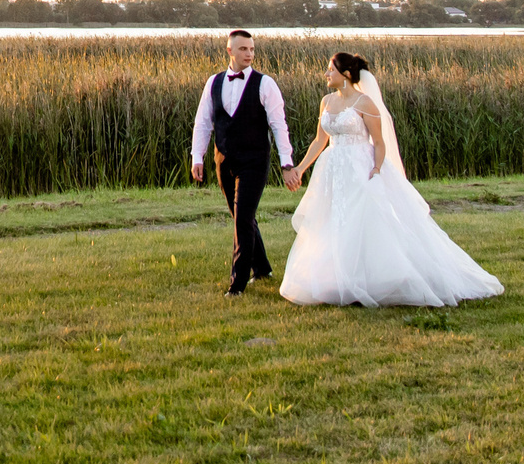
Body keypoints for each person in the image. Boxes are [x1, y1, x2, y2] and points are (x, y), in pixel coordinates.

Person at [281, 52, 503, 309]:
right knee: (333, 220)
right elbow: (320, 141)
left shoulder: (365, 104)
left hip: (359, 167)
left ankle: (372, 278)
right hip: (332, 170)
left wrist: (376, 169)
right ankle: (337, 278)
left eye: (330, 69)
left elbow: (379, 142)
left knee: (361, 220)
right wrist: (300, 168)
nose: (326, 74)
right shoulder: (327, 101)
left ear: (347, 75)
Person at [188, 28, 302, 295]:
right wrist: (198, 157)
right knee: (241, 216)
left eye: (251, 49)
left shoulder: (265, 84)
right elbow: (202, 123)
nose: (249, 54)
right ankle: (262, 268)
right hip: (223, 160)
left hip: (254, 160)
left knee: (242, 219)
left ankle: (237, 285)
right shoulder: (213, 82)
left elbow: (278, 126)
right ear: (230, 51)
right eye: (243, 49)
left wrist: (287, 164)